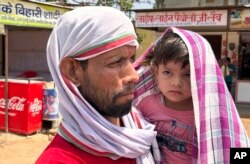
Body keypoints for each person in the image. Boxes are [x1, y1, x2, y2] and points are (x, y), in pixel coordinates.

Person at [36, 6, 157, 164]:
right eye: (115, 62)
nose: (134, 76)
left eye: (131, 59)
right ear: (73, 71)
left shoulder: (142, 129)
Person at [133, 27, 250, 164]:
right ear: (155, 71)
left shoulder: (211, 115)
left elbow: (235, 149)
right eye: (168, 72)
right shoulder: (145, 105)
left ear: (202, 76)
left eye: (188, 74)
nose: (176, 83)